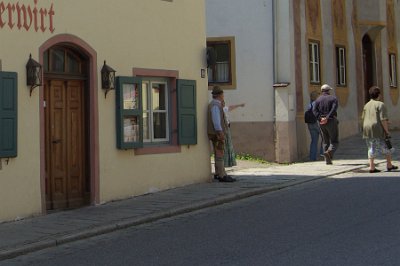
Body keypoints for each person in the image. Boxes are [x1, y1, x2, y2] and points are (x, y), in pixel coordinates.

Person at [361, 86, 398, 173]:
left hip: (366, 128)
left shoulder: (366, 105)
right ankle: (389, 165)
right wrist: (387, 131)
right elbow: (383, 119)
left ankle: (372, 167)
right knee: (386, 145)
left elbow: (363, 117)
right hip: (377, 128)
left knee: (371, 147)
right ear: (379, 95)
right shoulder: (381, 104)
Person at [207, 86, 236, 182]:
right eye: (223, 94)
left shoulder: (216, 104)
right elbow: (216, 121)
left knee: (217, 153)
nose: (223, 96)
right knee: (220, 153)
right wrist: (220, 132)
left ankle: (218, 173)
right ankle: (222, 175)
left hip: (215, 133)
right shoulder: (215, 105)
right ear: (220, 95)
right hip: (217, 133)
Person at [313, 84, 339, 165]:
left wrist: (320, 118)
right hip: (331, 120)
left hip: (321, 123)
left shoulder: (317, 100)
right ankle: (329, 152)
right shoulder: (333, 98)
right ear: (329, 91)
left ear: (322, 91)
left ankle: (327, 160)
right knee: (334, 140)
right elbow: (334, 108)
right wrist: (327, 117)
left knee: (325, 141)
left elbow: (314, 110)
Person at [222, 101, 245, 167]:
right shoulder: (222, 109)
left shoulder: (223, 108)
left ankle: (228, 162)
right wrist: (240, 105)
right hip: (224, 128)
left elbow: (231, 107)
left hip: (226, 127)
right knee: (225, 146)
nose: (224, 104)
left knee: (227, 145)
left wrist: (239, 105)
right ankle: (226, 162)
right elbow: (231, 107)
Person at [305, 91, 323, 161]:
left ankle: (312, 157)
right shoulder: (317, 104)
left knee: (314, 141)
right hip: (317, 123)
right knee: (325, 138)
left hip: (310, 124)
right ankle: (322, 154)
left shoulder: (310, 105)